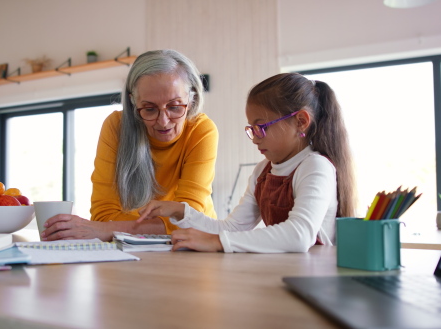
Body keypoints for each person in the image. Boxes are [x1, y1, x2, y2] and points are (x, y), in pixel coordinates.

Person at [137, 73, 356, 253]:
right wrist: (180, 211)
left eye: (261, 127)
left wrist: (218, 242)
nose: (255, 137)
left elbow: (299, 235)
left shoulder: (315, 166)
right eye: (251, 129)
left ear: (300, 122)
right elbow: (232, 228)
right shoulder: (263, 171)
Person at [41, 49, 219, 241]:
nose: (163, 121)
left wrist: (110, 228)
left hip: (195, 243)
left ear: (191, 100)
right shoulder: (116, 126)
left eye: (175, 107)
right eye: (149, 109)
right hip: (131, 245)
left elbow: (189, 220)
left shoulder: (201, 130)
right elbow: (102, 215)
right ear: (133, 103)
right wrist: (114, 228)